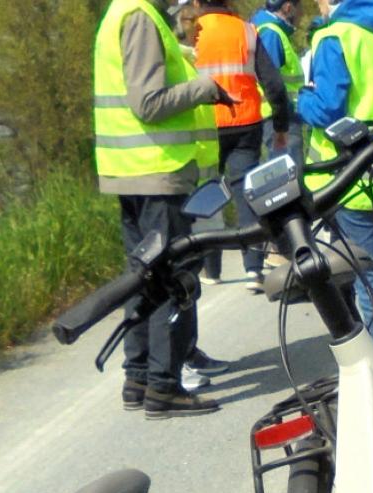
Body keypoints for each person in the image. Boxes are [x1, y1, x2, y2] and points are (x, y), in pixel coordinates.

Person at [93, 0, 233, 418]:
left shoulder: (121, 12)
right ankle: (164, 386)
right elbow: (148, 103)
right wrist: (204, 88)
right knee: (172, 280)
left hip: (132, 170)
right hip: (157, 170)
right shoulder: (139, 16)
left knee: (142, 280)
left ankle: (138, 378)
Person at [298, 0, 373, 353]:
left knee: (372, 279)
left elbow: (327, 109)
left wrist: (300, 100)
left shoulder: (334, 37)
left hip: (351, 175)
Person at [192, 0, 293, 293]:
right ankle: (253, 269)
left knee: (208, 192)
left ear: (198, 3)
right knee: (246, 193)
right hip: (245, 121)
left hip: (206, 124)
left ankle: (211, 270)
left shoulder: (192, 32)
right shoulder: (247, 31)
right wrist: (281, 125)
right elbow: (273, 84)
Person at [252, 0, 307, 162]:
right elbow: (270, 81)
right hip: (280, 119)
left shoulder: (271, 31)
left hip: (279, 116)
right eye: (300, 8)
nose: (302, 14)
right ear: (288, 8)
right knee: (288, 177)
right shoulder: (271, 33)